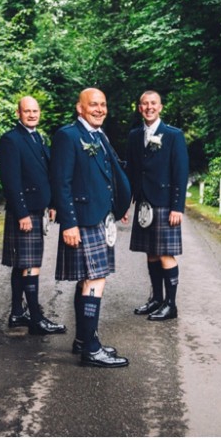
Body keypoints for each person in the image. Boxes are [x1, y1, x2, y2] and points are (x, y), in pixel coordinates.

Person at [51, 88, 131, 368]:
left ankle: (85, 340)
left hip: (101, 216)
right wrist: (69, 223)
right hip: (83, 219)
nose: (99, 109)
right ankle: (91, 350)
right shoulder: (68, 135)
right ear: (80, 108)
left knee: (89, 279)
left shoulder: (99, 135)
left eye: (103, 104)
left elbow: (109, 173)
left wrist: (118, 204)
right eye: (93, 105)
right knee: (96, 280)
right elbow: (61, 182)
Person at [0, 96, 67, 336]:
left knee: (22, 264)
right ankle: (36, 319)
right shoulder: (10, 140)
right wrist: (22, 213)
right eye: (27, 111)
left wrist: (52, 203)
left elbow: (45, 173)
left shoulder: (38, 137)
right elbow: (11, 180)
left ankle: (18, 313)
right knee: (30, 264)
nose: (31, 114)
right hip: (25, 213)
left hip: (38, 209)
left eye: (35, 111)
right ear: (18, 113)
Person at [126, 91, 189, 321]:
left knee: (165, 254)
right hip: (144, 204)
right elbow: (131, 171)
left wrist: (177, 207)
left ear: (160, 107)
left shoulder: (173, 135)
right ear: (139, 108)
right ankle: (156, 299)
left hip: (164, 203)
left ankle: (170, 305)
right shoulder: (134, 136)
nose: (149, 107)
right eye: (144, 104)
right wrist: (126, 203)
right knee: (151, 254)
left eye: (153, 103)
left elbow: (180, 173)